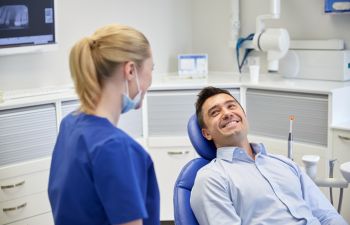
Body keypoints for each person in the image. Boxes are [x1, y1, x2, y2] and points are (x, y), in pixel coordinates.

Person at [48, 24, 160, 225]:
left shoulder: (69, 125)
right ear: (131, 70)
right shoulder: (115, 147)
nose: (151, 78)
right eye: (151, 68)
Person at [190, 86, 348, 225]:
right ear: (207, 133)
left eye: (231, 106)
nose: (227, 113)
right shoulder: (211, 179)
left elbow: (327, 215)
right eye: (215, 112)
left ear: (244, 116)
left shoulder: (285, 164)